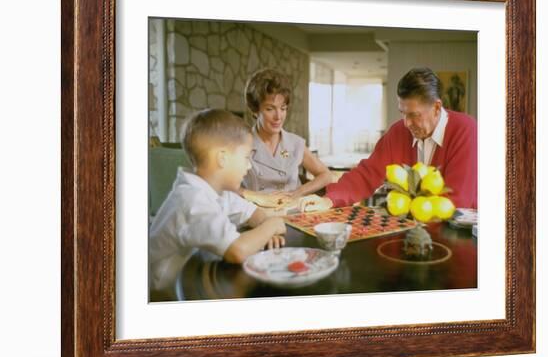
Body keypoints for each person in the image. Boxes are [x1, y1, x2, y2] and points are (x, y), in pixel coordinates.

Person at [300, 67, 477, 211]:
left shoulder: (465, 129)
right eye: (403, 113)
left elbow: (457, 200)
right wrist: (329, 200)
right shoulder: (398, 132)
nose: (407, 123)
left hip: (460, 232)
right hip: (413, 229)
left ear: (437, 107)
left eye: (414, 115)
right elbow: (367, 174)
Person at [149, 109, 287, 292]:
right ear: (222, 158)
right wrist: (273, 226)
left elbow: (253, 213)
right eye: (246, 157)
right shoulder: (192, 200)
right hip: (163, 294)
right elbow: (237, 251)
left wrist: (265, 230)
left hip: (194, 273)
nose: (249, 166)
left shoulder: (217, 191)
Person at [241, 68, 333, 209]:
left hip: (294, 214)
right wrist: (256, 196)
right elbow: (222, 186)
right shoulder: (241, 144)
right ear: (255, 110)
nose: (278, 116)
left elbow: (326, 175)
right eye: (270, 109)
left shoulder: (295, 143)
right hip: (256, 215)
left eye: (283, 108)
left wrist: (299, 192)